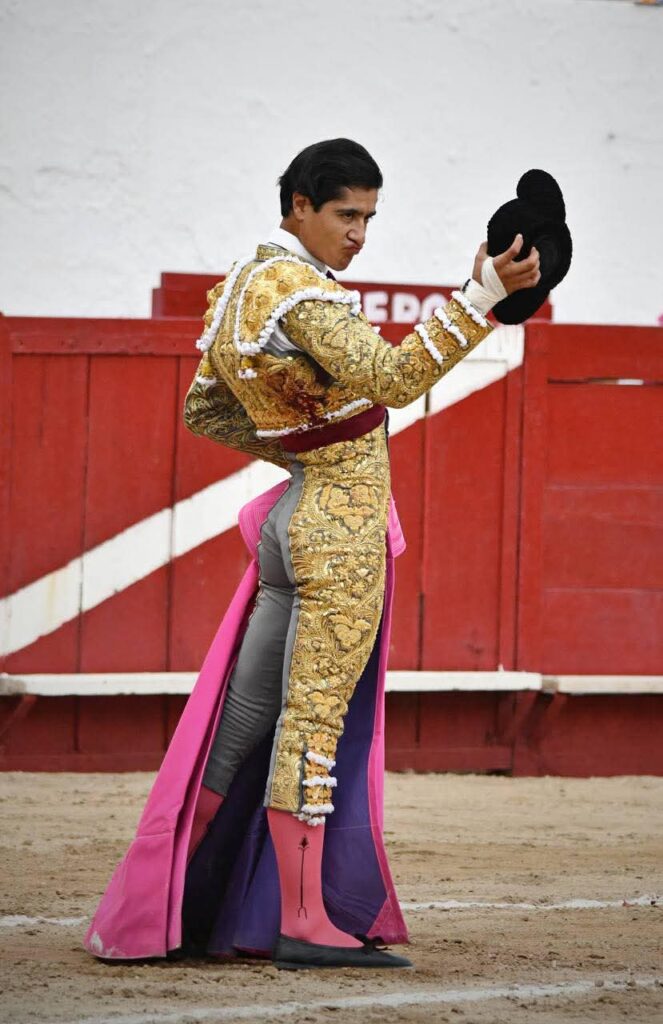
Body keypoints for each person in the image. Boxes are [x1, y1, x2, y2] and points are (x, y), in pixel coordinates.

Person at [84, 138, 540, 971]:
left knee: (244, 725)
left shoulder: (241, 290)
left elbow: (207, 412)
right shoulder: (304, 296)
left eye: (369, 216)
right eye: (344, 214)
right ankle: (303, 919)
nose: (359, 233)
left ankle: (171, 908)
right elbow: (394, 378)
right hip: (339, 529)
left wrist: (301, 443)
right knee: (311, 725)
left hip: (289, 521)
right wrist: (479, 297)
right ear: (298, 204)